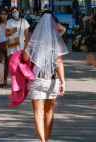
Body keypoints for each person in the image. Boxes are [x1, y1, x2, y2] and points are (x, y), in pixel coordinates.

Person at [23, 12, 68, 142]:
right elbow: (59, 62)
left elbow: (25, 57)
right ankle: (47, 139)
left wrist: (27, 43)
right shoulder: (56, 41)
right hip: (53, 81)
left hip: (37, 79)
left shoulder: (34, 40)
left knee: (38, 112)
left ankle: (42, 140)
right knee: (49, 113)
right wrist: (63, 82)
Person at [0, 8, 9, 86]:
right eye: (2, 14)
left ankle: (4, 79)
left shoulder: (10, 23)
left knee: (7, 63)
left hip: (8, 44)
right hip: (0, 43)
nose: (3, 15)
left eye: (5, 14)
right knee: (0, 61)